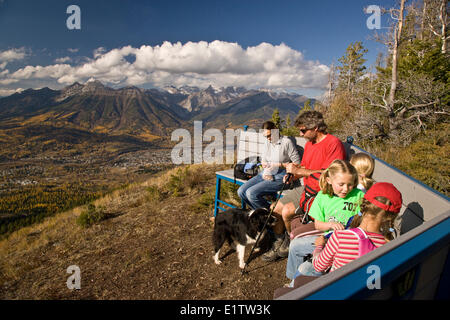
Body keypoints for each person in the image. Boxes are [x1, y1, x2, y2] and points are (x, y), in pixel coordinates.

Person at [262, 111, 346, 261]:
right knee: (274, 209)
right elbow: (305, 168)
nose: (301, 134)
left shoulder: (333, 144)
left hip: (322, 191)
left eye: (303, 130)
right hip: (307, 187)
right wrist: (293, 175)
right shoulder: (309, 145)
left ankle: (291, 242)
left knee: (287, 211)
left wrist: (300, 171)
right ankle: (280, 239)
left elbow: (331, 174)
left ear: (315, 128)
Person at [285, 159, 364, 280]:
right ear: (329, 180)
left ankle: (301, 281)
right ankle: (291, 278)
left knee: (305, 270)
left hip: (347, 244)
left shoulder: (358, 196)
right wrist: (330, 225)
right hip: (327, 239)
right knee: (295, 245)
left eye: (350, 184)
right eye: (341, 184)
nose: (346, 189)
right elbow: (318, 225)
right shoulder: (323, 196)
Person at [312, 182, 402, 273]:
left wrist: (319, 246)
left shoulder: (340, 237)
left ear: (364, 204)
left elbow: (318, 266)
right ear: (391, 217)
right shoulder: (387, 246)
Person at [237, 121, 301, 210]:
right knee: (241, 192)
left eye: (269, 135)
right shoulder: (268, 142)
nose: (268, 138)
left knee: (251, 193)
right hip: (266, 173)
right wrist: (264, 163)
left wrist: (278, 165)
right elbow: (264, 158)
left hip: (281, 176)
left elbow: (297, 164)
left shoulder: (286, 142)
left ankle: (270, 215)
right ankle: (260, 212)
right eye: (266, 136)